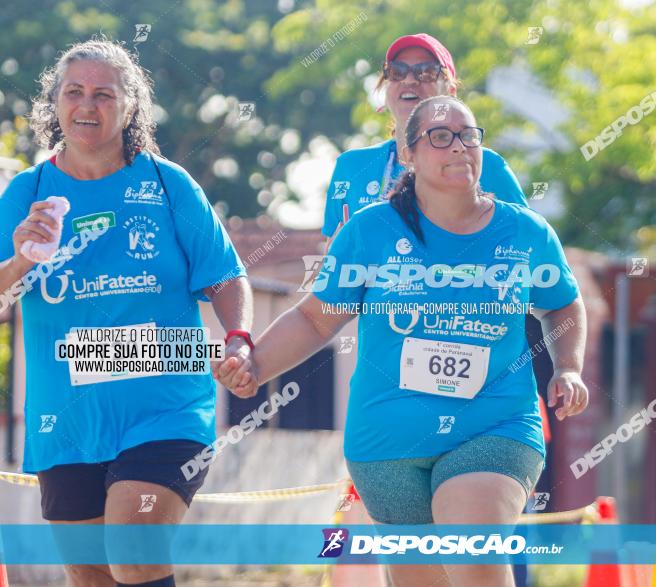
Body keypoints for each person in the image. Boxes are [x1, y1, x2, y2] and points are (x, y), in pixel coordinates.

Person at [216, 95, 589, 587]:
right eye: (440, 136)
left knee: (473, 559)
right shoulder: (370, 230)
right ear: (409, 153)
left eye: (469, 135)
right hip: (386, 445)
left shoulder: (524, 232)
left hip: (495, 425)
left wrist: (568, 366)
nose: (459, 146)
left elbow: (563, 302)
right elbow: (315, 320)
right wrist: (255, 366)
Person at [0, 39, 254, 587]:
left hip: (165, 411)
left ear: (130, 106)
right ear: (55, 103)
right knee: (93, 575)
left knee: (134, 554)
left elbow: (227, 277)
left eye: (103, 94)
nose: (87, 105)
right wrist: (20, 258)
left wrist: (238, 338)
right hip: (65, 420)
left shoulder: (168, 184)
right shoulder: (27, 193)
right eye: (74, 92)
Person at [321, 33, 527, 242]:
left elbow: (529, 247)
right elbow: (325, 265)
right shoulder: (351, 167)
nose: (409, 80)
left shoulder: (485, 164)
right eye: (396, 71)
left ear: (450, 92)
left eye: (426, 72)